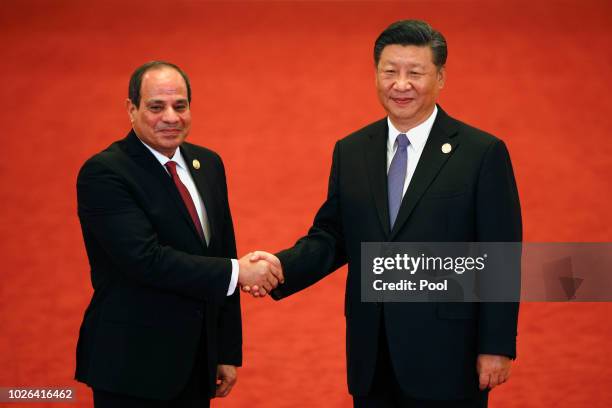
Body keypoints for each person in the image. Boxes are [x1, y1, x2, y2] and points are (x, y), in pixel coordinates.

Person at [247, 20, 522, 407]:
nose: (401, 84)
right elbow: (333, 235)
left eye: (415, 73)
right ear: (376, 74)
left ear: (440, 78)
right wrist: (279, 266)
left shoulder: (481, 153)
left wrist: (496, 345)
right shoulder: (353, 150)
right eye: (389, 71)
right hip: (372, 354)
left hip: (449, 355)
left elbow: (501, 256)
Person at [75, 61, 283, 408]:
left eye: (180, 105)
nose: (171, 117)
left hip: (195, 365)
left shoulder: (208, 164)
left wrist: (225, 349)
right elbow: (146, 260)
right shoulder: (105, 173)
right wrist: (238, 271)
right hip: (133, 368)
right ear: (131, 109)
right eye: (156, 107)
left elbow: (222, 252)